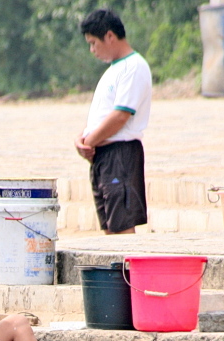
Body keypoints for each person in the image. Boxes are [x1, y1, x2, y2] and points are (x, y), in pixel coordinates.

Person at [74, 8, 152, 234]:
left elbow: (121, 115)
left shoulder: (134, 67)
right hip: (103, 157)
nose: (92, 50)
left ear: (109, 36)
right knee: (110, 229)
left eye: (93, 43)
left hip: (120, 155)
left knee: (122, 229)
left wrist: (90, 141)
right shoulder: (113, 70)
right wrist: (83, 139)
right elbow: (102, 114)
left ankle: (125, 271)